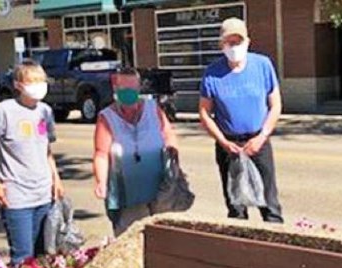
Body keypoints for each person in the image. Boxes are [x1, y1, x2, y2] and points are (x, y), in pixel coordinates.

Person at [0, 59, 64, 264]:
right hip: (17, 196)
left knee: (44, 257)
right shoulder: (4, 110)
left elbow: (46, 150)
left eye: (41, 80)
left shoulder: (45, 111)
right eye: (31, 81)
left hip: (44, 194)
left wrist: (56, 179)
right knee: (23, 258)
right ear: (18, 85)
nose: (38, 85)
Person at [199, 17, 284, 223]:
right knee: (236, 204)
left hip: (258, 142)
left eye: (238, 42)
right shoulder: (212, 74)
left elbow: (275, 106)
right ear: (222, 45)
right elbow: (204, 113)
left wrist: (262, 137)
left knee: (269, 203)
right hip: (229, 146)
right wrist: (224, 142)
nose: (234, 47)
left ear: (247, 42)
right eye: (229, 42)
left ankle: (273, 247)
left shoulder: (262, 65)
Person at [93, 67, 179, 236]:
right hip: (128, 191)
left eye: (133, 88)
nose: (129, 92)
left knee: (163, 235)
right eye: (124, 89)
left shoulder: (153, 108)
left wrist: (173, 158)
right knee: (132, 238)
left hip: (159, 186)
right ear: (115, 89)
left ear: (139, 88)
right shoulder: (107, 117)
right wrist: (101, 181)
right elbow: (101, 154)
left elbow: (168, 134)